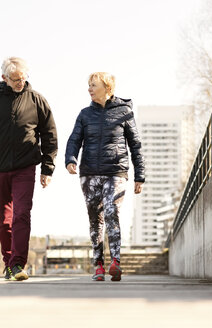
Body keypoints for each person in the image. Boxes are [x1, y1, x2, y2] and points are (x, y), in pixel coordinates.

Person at [0, 57, 57, 281]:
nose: (20, 83)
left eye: (23, 78)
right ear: (4, 78)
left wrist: (47, 168)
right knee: (3, 219)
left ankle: (18, 264)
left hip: (25, 167)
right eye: (15, 79)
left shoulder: (37, 100)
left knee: (21, 215)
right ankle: (8, 263)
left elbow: (50, 135)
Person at [65, 72, 145, 281]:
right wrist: (70, 159)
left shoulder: (124, 112)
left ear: (107, 88)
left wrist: (140, 175)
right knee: (95, 218)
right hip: (89, 172)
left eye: (93, 85)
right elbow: (74, 139)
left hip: (116, 171)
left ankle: (116, 262)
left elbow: (135, 145)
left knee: (111, 211)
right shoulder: (84, 114)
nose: (89, 89)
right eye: (89, 85)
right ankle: (98, 265)